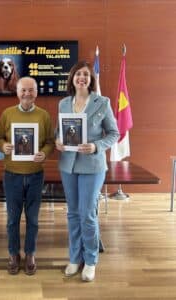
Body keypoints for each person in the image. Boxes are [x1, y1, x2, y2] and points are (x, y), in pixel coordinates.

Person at [55, 61, 119, 282]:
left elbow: (114, 133)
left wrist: (96, 146)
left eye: (86, 74)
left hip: (92, 166)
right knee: (72, 213)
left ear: (91, 80)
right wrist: (58, 142)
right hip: (68, 165)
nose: (81, 77)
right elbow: (58, 131)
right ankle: (75, 258)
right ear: (72, 78)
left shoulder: (103, 102)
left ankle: (90, 261)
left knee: (87, 214)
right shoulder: (63, 103)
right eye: (78, 74)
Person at [0, 77, 54, 276]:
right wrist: (4, 146)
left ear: (37, 92)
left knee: (33, 219)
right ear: (17, 92)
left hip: (35, 175)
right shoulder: (7, 114)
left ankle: (30, 254)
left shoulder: (44, 115)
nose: (27, 94)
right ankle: (13, 254)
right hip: (12, 175)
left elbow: (50, 141)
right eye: (23, 90)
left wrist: (44, 152)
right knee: (12, 219)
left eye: (31, 90)